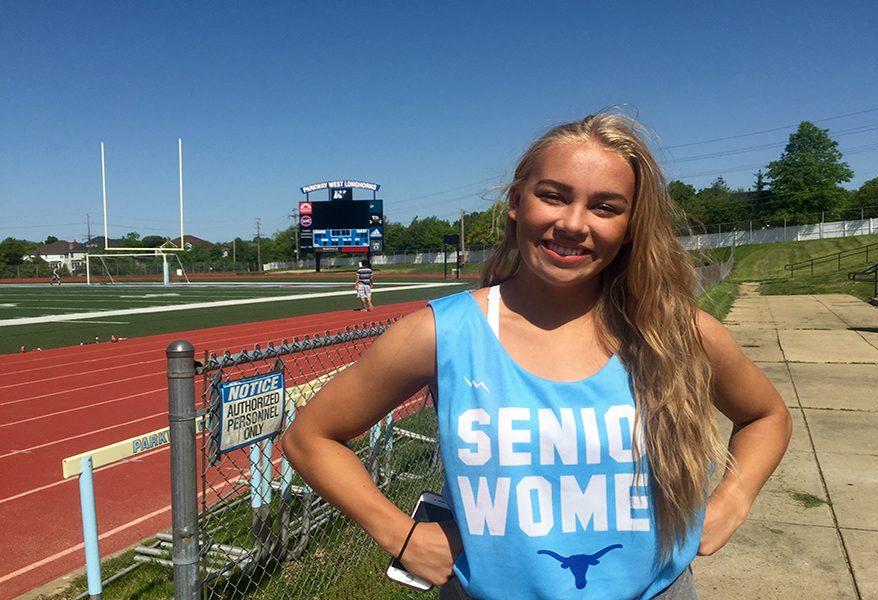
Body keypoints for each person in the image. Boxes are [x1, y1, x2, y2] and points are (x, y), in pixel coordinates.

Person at [282, 112, 791, 599]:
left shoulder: (675, 332)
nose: (573, 223)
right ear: (516, 202)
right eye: (553, 196)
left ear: (632, 225)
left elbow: (766, 416)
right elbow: (310, 437)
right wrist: (400, 533)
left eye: (605, 207)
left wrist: (732, 500)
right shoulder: (442, 333)